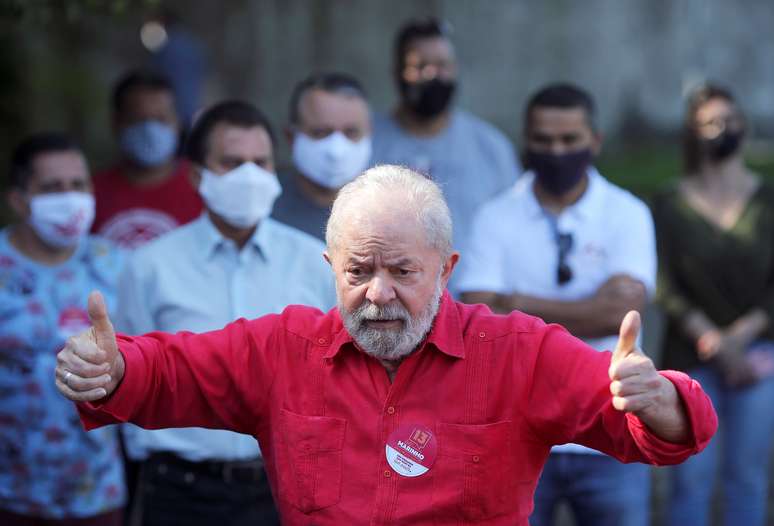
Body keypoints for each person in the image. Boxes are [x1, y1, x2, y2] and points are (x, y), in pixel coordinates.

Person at [56, 165, 716, 526]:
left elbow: (649, 426)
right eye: (357, 272)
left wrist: (658, 398)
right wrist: (112, 367)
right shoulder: (283, 348)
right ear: (329, 267)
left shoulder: (517, 351)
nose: (378, 294)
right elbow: (173, 371)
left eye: (402, 271)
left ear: (447, 268)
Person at [115, 100, 336, 526]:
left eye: (260, 162)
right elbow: (128, 384)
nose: (249, 176)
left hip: (286, 486)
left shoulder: (316, 263)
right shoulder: (150, 267)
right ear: (197, 175)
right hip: (179, 489)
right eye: (232, 162)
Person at [457, 83, 657, 526]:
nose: (557, 151)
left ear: (595, 141)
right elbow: (479, 319)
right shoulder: (495, 216)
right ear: (526, 142)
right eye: (544, 141)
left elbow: (618, 315)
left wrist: (515, 303)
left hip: (611, 427)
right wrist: (590, 304)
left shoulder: (627, 214)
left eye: (570, 140)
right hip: (517, 429)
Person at [652, 84, 774, 526]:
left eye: (731, 120)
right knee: (690, 479)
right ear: (692, 133)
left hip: (759, 357)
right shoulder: (669, 202)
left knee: (747, 478)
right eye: (710, 123)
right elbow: (662, 283)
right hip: (691, 358)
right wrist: (710, 337)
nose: (723, 130)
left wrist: (738, 337)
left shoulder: (768, 199)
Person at [0, 133, 125, 525]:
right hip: (12, 494)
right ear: (19, 199)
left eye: (78, 185)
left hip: (100, 492)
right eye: (53, 187)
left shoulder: (114, 263)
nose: (70, 198)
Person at [370, 17, 520, 294]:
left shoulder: (491, 147)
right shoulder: (366, 142)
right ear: (397, 72)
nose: (432, 75)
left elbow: (516, 229)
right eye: (420, 66)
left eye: (442, 66)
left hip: (474, 310)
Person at [91, 70, 202, 249]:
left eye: (161, 119)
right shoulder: (90, 193)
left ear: (178, 122)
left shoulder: (203, 188)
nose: (150, 130)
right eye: (138, 119)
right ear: (116, 123)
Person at [272, 72, 372, 240]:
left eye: (351, 132)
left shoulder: (389, 214)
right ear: (290, 137)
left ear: (369, 133)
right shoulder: (262, 209)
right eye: (321, 133)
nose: (336, 150)